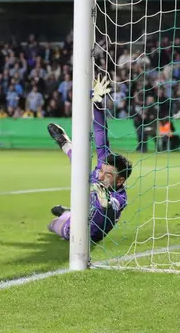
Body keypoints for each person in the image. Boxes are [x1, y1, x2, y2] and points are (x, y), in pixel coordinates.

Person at [46, 75, 133, 244]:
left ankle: (68, 212)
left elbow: (110, 205)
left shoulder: (120, 197)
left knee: (55, 224)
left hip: (91, 235)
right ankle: (65, 143)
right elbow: (101, 131)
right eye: (101, 170)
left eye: (107, 174)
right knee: (52, 226)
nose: (100, 175)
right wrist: (97, 103)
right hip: (75, 223)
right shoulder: (102, 166)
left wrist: (105, 198)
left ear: (120, 180)